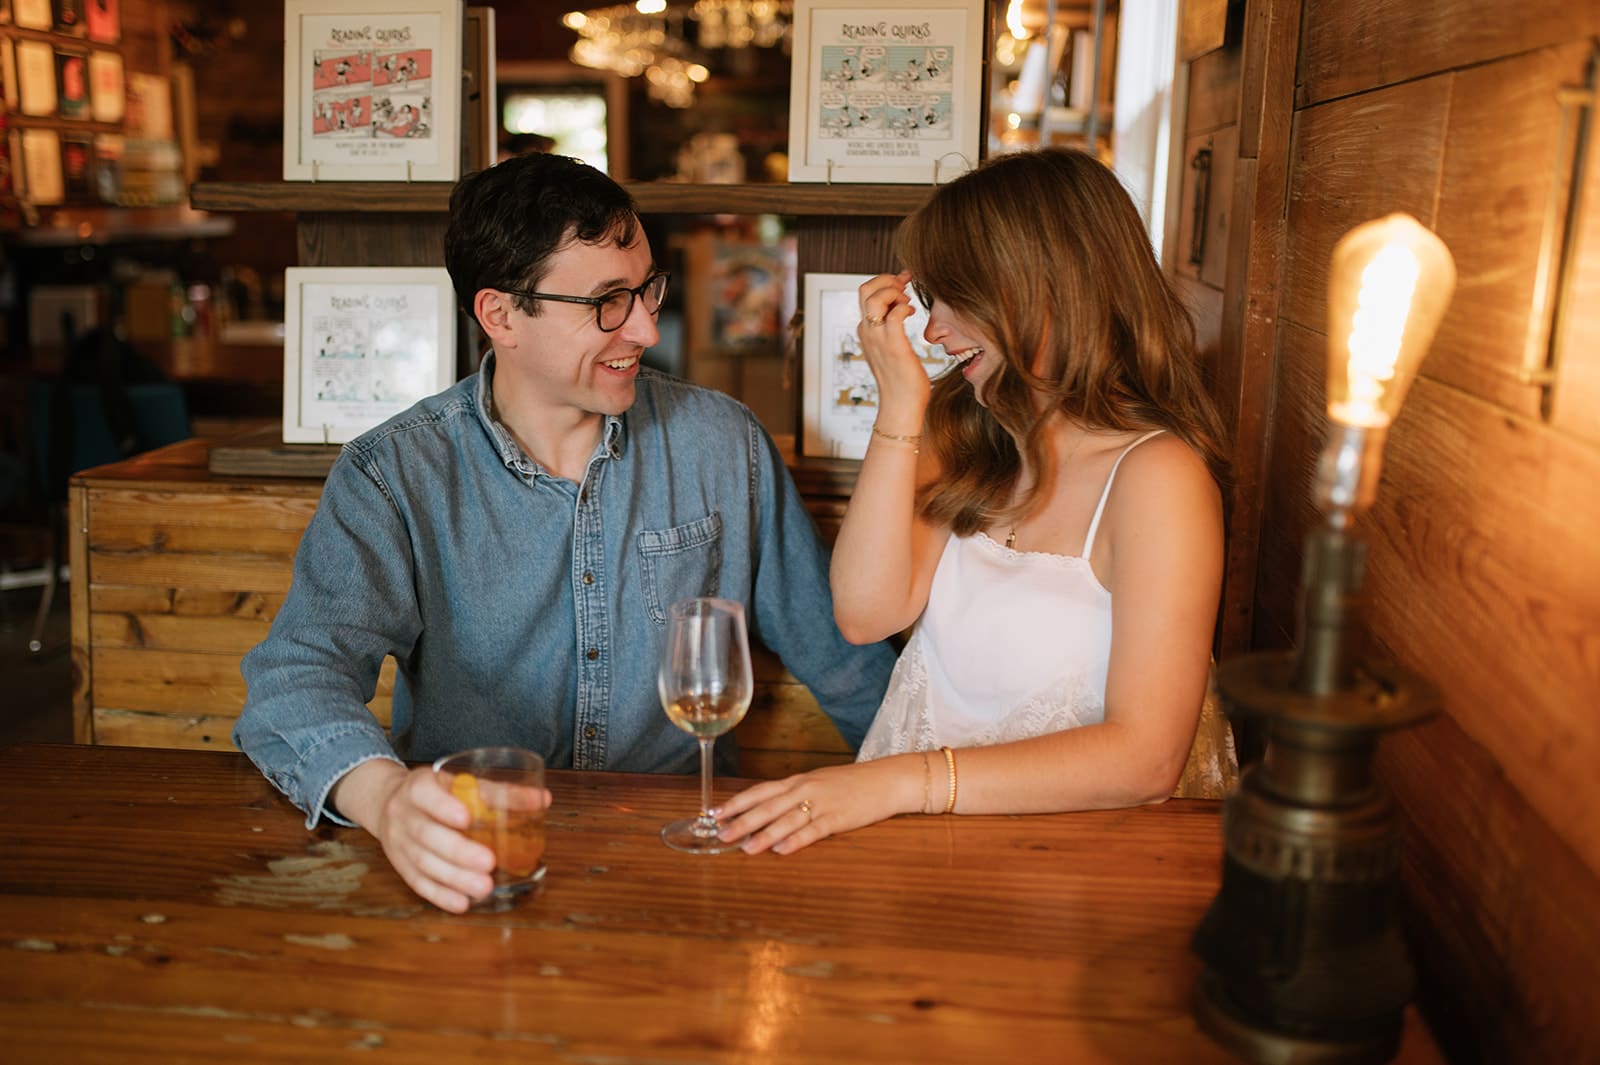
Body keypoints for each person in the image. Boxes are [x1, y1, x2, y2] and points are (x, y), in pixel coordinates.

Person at [233, 152, 896, 911]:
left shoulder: (723, 442)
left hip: (684, 859)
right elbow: (296, 675)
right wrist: (385, 801)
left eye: (647, 289)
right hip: (475, 863)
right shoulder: (394, 473)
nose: (645, 327)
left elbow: (846, 663)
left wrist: (927, 798)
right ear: (501, 315)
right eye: (608, 302)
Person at [713, 148, 1233, 855]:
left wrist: (898, 783)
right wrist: (899, 404)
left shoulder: (1157, 478)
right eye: (929, 300)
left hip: (1072, 866)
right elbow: (865, 614)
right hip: (922, 841)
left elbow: (1146, 758)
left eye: (955, 298)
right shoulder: (966, 432)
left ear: (1046, 285)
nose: (932, 331)